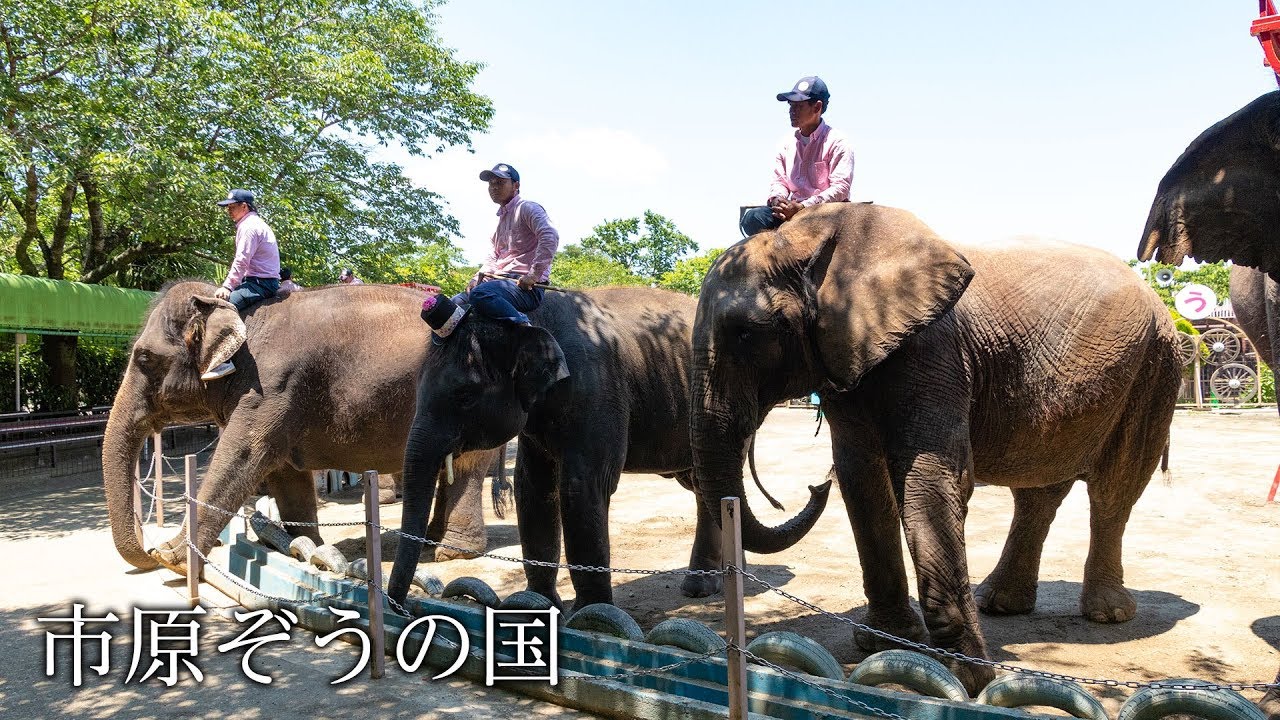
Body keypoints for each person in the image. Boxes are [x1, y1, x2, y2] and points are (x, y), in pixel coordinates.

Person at [739, 76, 854, 238]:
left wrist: (803, 207)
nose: (792, 111)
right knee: (753, 218)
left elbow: (841, 188)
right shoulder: (787, 144)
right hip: (791, 213)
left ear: (817, 107)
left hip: (824, 215)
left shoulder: (837, 141)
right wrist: (778, 200)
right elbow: (780, 181)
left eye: (799, 106)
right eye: (791, 105)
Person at [454, 163, 559, 328]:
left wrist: (533, 275)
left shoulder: (528, 208)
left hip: (526, 288)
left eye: (500, 183)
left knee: (480, 294)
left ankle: (526, 329)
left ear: (516, 186)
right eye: (491, 183)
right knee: (454, 304)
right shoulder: (498, 223)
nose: (494, 187)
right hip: (499, 283)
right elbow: (492, 258)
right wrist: (476, 279)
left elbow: (550, 235)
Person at [204, 188, 280, 380]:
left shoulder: (249, 227)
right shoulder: (252, 224)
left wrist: (228, 286)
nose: (228, 210)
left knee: (221, 309)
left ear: (244, 206)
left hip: (259, 283)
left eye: (232, 206)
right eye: (227, 207)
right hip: (261, 280)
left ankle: (222, 361)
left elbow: (241, 261)